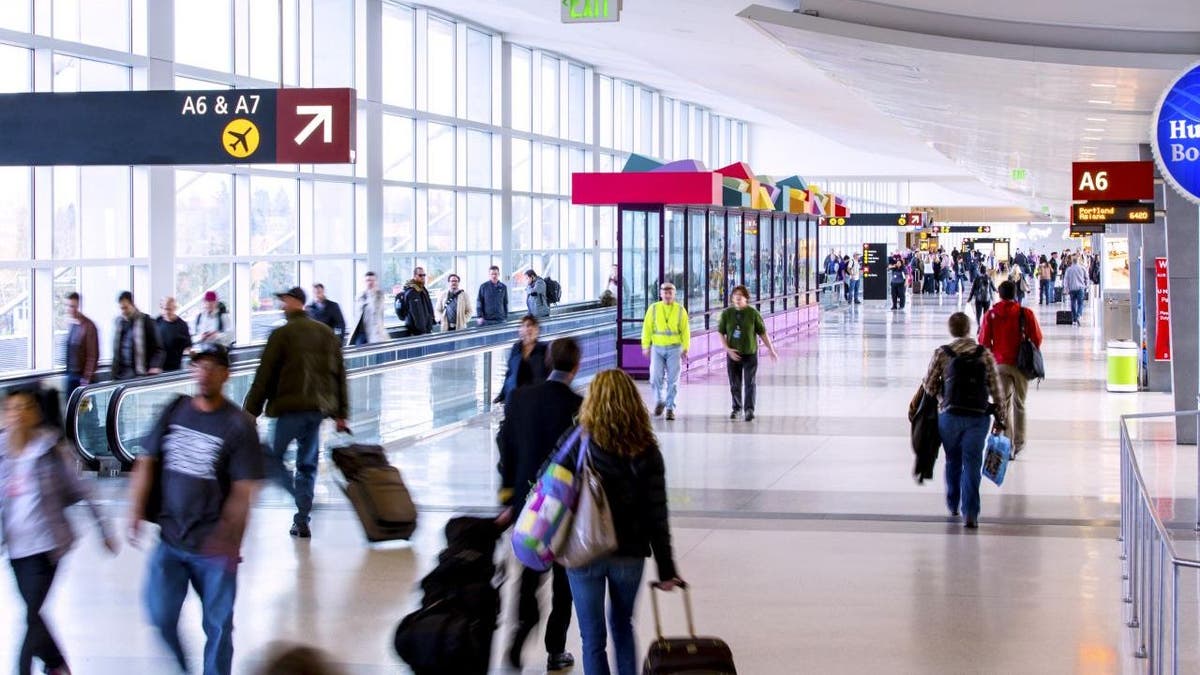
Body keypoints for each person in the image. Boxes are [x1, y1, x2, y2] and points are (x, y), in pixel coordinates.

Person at [127, 343, 264, 675]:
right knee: (159, 615)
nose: (204, 373)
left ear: (226, 374)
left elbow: (244, 490)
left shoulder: (238, 425)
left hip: (214, 546)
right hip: (171, 537)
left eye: (212, 367)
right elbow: (146, 460)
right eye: (199, 366)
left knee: (218, 626)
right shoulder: (175, 409)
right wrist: (134, 510)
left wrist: (233, 542)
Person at [561, 369, 683, 675]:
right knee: (623, 627)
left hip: (583, 550)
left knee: (592, 639)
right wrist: (666, 568)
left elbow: (547, 484)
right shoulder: (648, 450)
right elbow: (658, 514)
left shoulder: (578, 441)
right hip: (629, 553)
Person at [1, 388, 116, 675]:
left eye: (25, 408)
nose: (18, 414)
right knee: (34, 615)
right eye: (12, 409)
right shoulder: (2, 452)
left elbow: (82, 490)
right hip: (16, 548)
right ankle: (56, 664)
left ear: (35, 414)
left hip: (46, 547)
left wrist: (103, 528)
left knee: (31, 615)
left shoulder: (49, 449)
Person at [498, 338, 583, 672]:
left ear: (548, 360)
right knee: (564, 582)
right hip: (565, 510)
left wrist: (507, 498)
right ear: (576, 365)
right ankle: (556, 649)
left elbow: (506, 449)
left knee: (529, 577)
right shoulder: (579, 406)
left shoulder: (519, 399)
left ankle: (516, 644)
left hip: (527, 504)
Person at [244, 287, 350, 538]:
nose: (282, 305)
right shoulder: (325, 333)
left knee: (270, 458)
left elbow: (264, 375)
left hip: (289, 409)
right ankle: (302, 519)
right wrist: (341, 413)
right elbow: (340, 375)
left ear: (296, 302)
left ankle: (295, 495)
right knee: (307, 464)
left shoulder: (282, 334)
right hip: (317, 411)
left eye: (285, 300)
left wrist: (251, 410)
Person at [920, 312, 1008, 529]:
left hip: (949, 416)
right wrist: (1001, 418)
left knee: (953, 460)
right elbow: (997, 390)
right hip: (978, 417)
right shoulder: (984, 354)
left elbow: (929, 387)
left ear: (951, 330)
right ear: (969, 329)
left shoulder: (942, 353)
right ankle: (971, 512)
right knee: (972, 463)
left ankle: (953, 503)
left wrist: (943, 398)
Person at [979, 281, 1043, 460]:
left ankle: (1007, 442)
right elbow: (1037, 338)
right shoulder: (1025, 313)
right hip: (1020, 366)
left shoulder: (991, 314)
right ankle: (1019, 443)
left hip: (999, 365)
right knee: (1019, 403)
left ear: (999, 294)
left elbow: (983, 341)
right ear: (1016, 294)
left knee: (1003, 405)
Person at [717, 285, 778, 421]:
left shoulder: (753, 313)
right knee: (735, 383)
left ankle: (749, 409)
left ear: (746, 298)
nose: (738, 298)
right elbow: (721, 332)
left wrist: (771, 349)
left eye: (741, 296)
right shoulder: (727, 314)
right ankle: (737, 409)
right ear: (732, 298)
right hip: (733, 355)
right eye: (735, 296)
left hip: (750, 354)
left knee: (750, 382)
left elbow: (762, 333)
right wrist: (727, 349)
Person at [641, 282, 690, 421]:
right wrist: (645, 345)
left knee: (673, 380)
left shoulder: (680, 310)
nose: (668, 295)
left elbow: (685, 331)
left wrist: (685, 348)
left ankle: (670, 408)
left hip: (675, 349)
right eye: (665, 292)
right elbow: (647, 328)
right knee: (655, 377)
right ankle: (659, 401)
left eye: (670, 293)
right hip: (657, 348)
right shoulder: (654, 309)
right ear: (661, 294)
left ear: (674, 294)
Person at [112, 291, 165, 380]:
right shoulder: (119, 322)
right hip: (121, 372)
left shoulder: (146, 321)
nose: (123, 311)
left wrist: (155, 366)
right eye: (121, 308)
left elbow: (159, 349)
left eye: (126, 308)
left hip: (139, 372)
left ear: (132, 305)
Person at [496, 315, 549, 404]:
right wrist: (502, 395)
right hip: (515, 397)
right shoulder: (516, 348)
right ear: (520, 331)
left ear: (537, 330)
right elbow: (510, 373)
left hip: (535, 398)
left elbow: (549, 374)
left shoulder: (544, 349)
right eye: (524, 326)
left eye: (531, 325)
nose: (528, 329)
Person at [62, 292, 99, 392]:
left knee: (86, 406)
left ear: (78, 306)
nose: (71, 309)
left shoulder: (89, 326)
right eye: (69, 306)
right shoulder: (71, 324)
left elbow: (93, 355)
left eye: (74, 306)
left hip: (83, 377)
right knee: (72, 405)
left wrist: (87, 377)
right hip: (70, 375)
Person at [156, 296, 193, 372]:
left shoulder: (182, 325)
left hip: (174, 367)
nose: (166, 312)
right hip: (158, 367)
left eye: (169, 309)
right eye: (164, 309)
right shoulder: (157, 321)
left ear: (175, 308)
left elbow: (188, 346)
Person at [351, 271, 388, 345]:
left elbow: (375, 310)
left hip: (374, 333)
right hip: (361, 333)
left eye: (372, 280)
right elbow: (356, 313)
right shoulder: (360, 296)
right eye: (368, 280)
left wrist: (372, 293)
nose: (370, 283)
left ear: (376, 282)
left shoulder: (379, 295)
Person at [396, 266, 436, 336]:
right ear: (414, 276)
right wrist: (422, 331)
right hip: (417, 332)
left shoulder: (422, 289)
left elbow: (428, 308)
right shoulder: (411, 292)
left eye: (424, 275)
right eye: (420, 275)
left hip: (426, 330)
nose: (423, 277)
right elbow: (416, 314)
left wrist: (430, 325)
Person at [1063, 256, 1090, 326]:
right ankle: (1078, 315)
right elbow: (1087, 278)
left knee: (1073, 303)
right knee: (1080, 303)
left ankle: (1074, 318)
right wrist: (1086, 286)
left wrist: (1066, 289)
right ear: (1078, 261)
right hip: (1080, 288)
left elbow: (1065, 280)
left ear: (1072, 261)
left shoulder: (1068, 269)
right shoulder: (1082, 268)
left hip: (1072, 289)